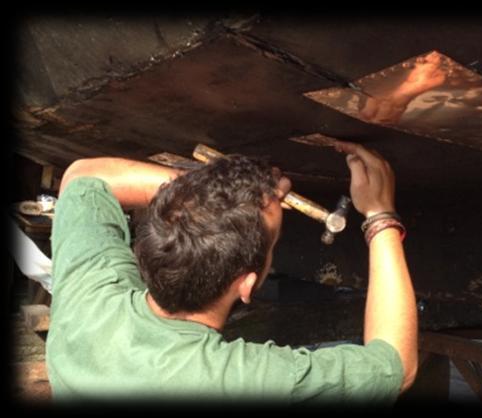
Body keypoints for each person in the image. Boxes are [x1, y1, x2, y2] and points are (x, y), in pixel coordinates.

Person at [46, 140, 417, 404]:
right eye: (274, 244)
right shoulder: (231, 380)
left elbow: (83, 178)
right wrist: (380, 216)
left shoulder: (87, 299)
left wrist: (212, 193)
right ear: (247, 284)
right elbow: (396, 367)